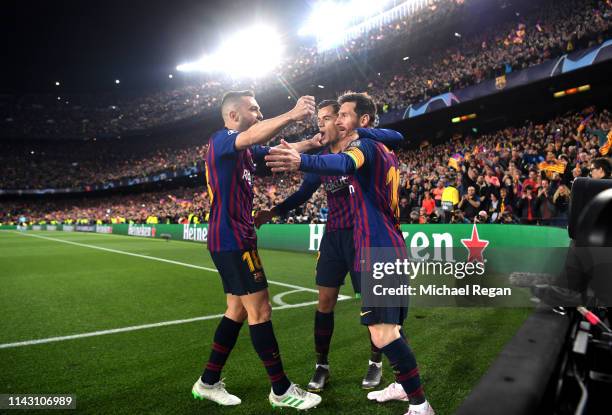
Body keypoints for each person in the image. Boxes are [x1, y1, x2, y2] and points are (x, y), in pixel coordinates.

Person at [265, 92, 435, 415]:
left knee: (384, 333)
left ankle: (421, 406)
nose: (338, 121)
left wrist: (302, 159)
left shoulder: (363, 148)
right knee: (391, 329)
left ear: (363, 121)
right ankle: (402, 385)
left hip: (376, 246)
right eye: (336, 115)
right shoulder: (380, 147)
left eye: (343, 115)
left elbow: (346, 162)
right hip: (387, 243)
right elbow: (388, 139)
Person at [254, 99, 404, 392]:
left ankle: (376, 363)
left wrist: (361, 133)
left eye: (326, 118)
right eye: (319, 119)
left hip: (364, 236)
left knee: (374, 305)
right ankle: (321, 364)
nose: (320, 124)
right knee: (324, 302)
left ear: (341, 121)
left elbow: (396, 137)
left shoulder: (359, 149)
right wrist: (274, 212)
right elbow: (303, 194)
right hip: (334, 238)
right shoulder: (322, 158)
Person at [193, 90, 322, 410]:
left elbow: (277, 150)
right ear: (233, 116)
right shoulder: (222, 139)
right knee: (260, 310)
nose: (260, 114)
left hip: (235, 238)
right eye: (254, 109)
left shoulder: (246, 153)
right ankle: (280, 390)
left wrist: (311, 144)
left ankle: (207, 382)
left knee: (236, 309)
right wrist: (292, 114)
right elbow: (253, 135)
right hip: (232, 239)